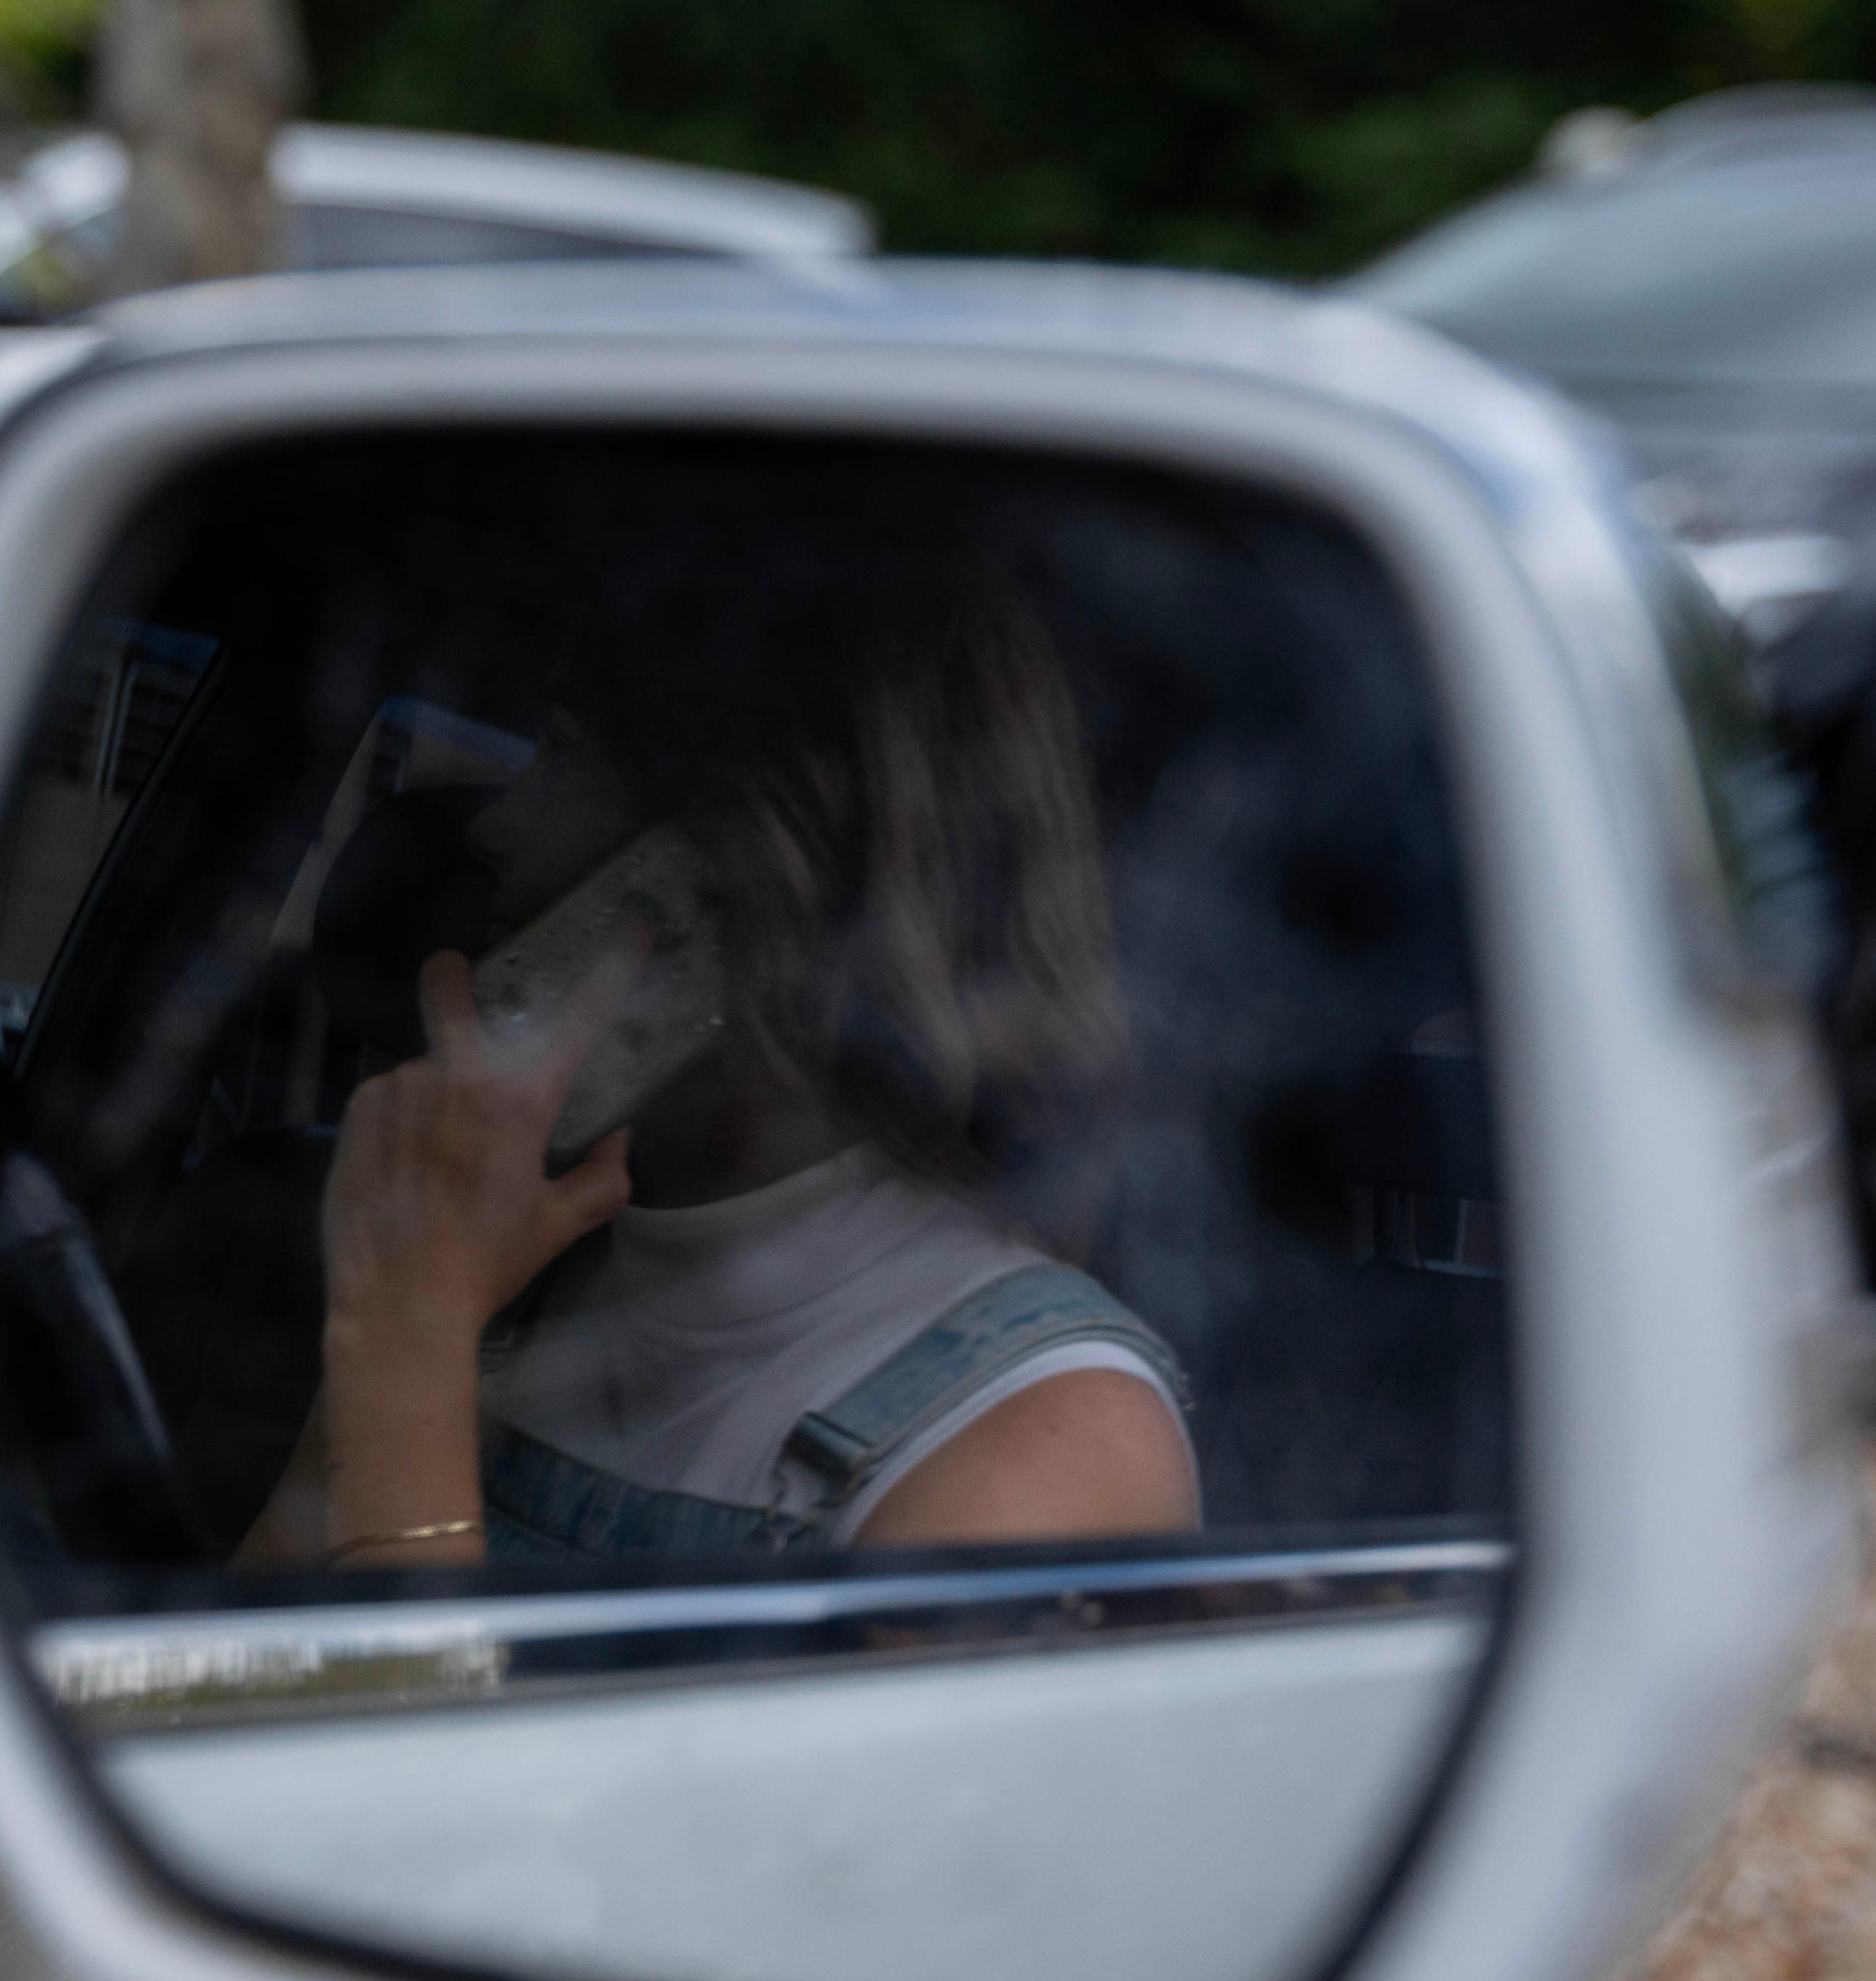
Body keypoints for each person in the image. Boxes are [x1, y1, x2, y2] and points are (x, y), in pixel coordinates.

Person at [239, 548, 1198, 1569]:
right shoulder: (511, 1256)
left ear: (761, 875)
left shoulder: (1051, 1441)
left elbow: (393, 1734)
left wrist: (409, 1348)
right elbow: (240, 1689)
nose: (492, 825)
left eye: (564, 756)